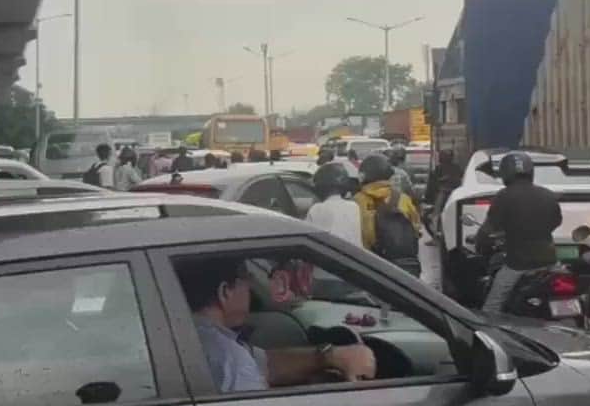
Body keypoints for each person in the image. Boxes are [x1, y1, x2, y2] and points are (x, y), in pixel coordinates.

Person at [176, 257, 375, 393]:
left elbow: (264, 364)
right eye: (248, 281)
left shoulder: (185, 336)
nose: (251, 291)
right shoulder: (230, 359)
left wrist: (329, 356)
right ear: (225, 291)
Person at [478, 152, 563, 315]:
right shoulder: (547, 194)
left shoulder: (503, 196)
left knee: (491, 309)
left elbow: (488, 229)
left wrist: (480, 242)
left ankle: (490, 336)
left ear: (505, 173)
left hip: (517, 264)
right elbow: (556, 221)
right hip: (550, 262)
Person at [354, 154, 423, 276]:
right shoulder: (403, 199)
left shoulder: (357, 201)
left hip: (369, 263)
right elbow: (416, 228)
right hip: (403, 266)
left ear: (363, 176)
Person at [305, 162, 363, 247]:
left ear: (320, 187)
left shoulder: (317, 209)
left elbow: (308, 236)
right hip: (354, 257)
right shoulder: (354, 207)